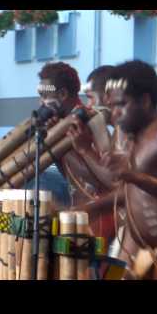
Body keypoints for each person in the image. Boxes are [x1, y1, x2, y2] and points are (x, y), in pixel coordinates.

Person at [68, 60, 157, 279]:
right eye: (111, 106)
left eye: (120, 105)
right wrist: (93, 205)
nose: (114, 114)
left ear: (144, 100)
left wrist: (132, 174)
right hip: (134, 242)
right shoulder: (128, 136)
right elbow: (122, 187)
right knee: (109, 277)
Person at [36, 62, 116, 240]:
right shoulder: (62, 126)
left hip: (102, 223)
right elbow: (70, 175)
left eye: (44, 95)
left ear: (63, 94)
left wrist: (80, 149)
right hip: (79, 221)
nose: (41, 103)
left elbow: (110, 181)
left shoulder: (91, 121)